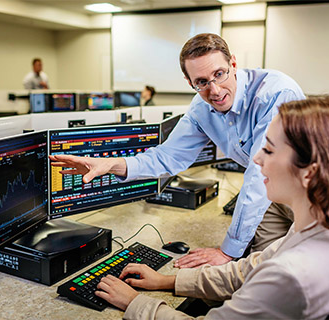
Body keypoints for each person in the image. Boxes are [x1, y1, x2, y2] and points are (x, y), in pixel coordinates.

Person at [94, 95, 329, 319]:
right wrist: (168, 280)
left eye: (269, 149)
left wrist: (134, 303)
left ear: (309, 172)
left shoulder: (293, 274)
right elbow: (250, 269)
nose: (256, 158)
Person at [50, 33, 305, 267]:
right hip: (271, 194)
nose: (214, 91)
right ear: (189, 81)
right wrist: (113, 165)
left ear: (234, 64)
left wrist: (228, 251)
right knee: (263, 270)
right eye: (201, 82)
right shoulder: (201, 109)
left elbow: (259, 173)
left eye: (220, 74)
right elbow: (167, 157)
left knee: (310, 268)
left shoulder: (275, 93)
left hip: (309, 192)